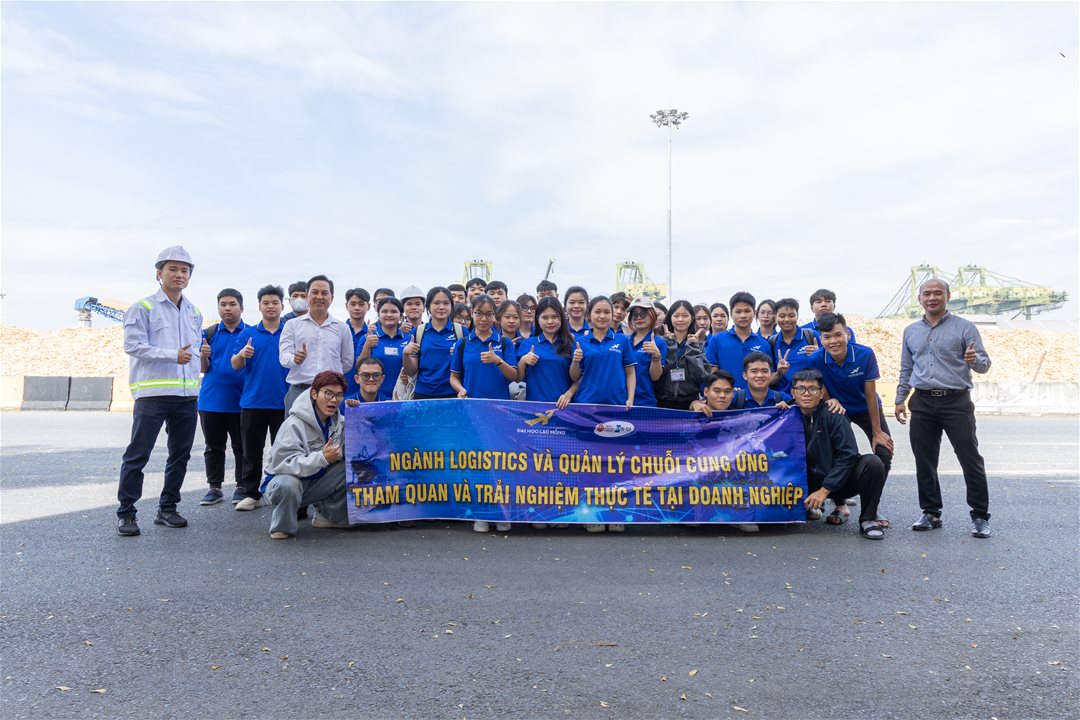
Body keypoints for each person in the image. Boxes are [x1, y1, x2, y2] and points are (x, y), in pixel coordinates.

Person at [115, 246, 203, 536]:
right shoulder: (143, 308)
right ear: (159, 273)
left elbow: (192, 352)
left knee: (180, 455)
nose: (179, 274)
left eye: (184, 270)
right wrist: (172, 355)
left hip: (186, 396)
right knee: (138, 454)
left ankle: (168, 508)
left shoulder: (194, 312)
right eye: (173, 269)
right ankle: (126, 513)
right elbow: (133, 346)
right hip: (152, 396)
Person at [895, 279, 992, 538]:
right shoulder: (911, 331)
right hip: (922, 401)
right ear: (919, 299)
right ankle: (930, 512)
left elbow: (984, 364)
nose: (932, 298)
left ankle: (980, 516)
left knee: (970, 459)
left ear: (948, 296)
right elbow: (906, 368)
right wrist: (900, 398)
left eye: (938, 293)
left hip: (956, 401)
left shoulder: (965, 327)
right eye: (926, 293)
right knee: (924, 460)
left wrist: (974, 359)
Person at [449, 295, 519, 533]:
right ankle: (480, 513)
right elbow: (454, 377)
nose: (483, 318)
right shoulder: (463, 343)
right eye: (479, 313)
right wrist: (460, 389)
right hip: (472, 411)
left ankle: (502, 512)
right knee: (477, 463)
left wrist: (497, 360)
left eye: (489, 314)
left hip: (500, 412)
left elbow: (515, 376)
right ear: (472, 314)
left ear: (495, 317)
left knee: (501, 463)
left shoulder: (504, 343)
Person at [810, 312, 894, 503]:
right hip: (839, 410)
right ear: (821, 339)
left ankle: (871, 506)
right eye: (827, 337)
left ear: (848, 334)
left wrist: (877, 432)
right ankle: (839, 503)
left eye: (838, 335)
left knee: (884, 452)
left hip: (865, 407)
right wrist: (831, 400)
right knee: (837, 454)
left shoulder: (865, 354)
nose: (833, 341)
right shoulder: (815, 359)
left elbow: (870, 395)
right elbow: (821, 386)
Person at [569, 296, 635, 534]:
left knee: (615, 465)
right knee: (589, 465)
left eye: (607, 311)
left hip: (616, 409)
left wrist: (630, 398)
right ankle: (591, 513)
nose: (603, 316)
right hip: (587, 410)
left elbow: (630, 372)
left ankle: (615, 513)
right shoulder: (579, 341)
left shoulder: (622, 340)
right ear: (589, 315)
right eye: (597, 312)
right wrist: (575, 362)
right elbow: (574, 376)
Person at [796, 369, 887, 540]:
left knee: (873, 463)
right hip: (805, 483)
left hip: (838, 483)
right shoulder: (786, 414)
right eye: (801, 389)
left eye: (813, 389)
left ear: (821, 393)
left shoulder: (834, 414)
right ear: (793, 392)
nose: (806, 394)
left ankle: (868, 520)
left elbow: (848, 455)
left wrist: (825, 490)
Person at [264, 370, 352, 539]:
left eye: (339, 395)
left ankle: (327, 516)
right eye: (328, 393)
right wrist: (322, 458)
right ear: (314, 394)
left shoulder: (339, 422)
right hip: (282, 485)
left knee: (348, 468)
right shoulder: (293, 424)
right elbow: (283, 465)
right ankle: (282, 526)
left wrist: (357, 412)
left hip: (316, 482)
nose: (334, 400)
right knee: (289, 484)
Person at [230, 284, 290, 511]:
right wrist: (242, 354)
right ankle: (252, 494)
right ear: (259, 307)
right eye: (266, 303)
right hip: (253, 402)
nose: (270, 306)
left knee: (283, 451)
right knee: (251, 451)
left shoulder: (289, 332)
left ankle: (280, 492)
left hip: (284, 402)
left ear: (282, 306)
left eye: (275, 302)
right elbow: (235, 365)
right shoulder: (248, 334)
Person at [689, 369, 760, 533]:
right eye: (717, 391)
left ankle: (739, 514)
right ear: (706, 392)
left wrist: (782, 408)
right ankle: (695, 511)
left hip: (731, 473)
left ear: (733, 393)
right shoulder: (692, 415)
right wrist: (695, 403)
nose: (722, 396)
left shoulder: (739, 415)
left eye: (727, 392)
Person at [197, 288, 247, 506]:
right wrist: (203, 356)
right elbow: (203, 368)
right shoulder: (208, 334)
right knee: (213, 447)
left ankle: (241, 486)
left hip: (242, 401)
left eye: (232, 304)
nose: (227, 308)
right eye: (223, 304)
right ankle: (214, 487)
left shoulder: (250, 334)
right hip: (211, 402)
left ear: (241, 308)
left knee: (242, 447)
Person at [278, 275, 354, 409]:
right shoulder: (292, 325)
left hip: (331, 393)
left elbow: (347, 362)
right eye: (315, 292)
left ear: (332, 298)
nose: (319, 297)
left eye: (324, 293)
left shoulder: (342, 328)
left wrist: (330, 377)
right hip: (299, 392)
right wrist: (295, 359)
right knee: (295, 423)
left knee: (331, 424)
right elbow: (284, 357)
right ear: (307, 296)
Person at [402, 286, 464, 399]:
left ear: (451, 306)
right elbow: (411, 371)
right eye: (436, 303)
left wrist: (460, 354)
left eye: (446, 303)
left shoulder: (460, 331)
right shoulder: (419, 331)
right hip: (423, 393)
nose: (441, 307)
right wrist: (406, 354)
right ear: (428, 307)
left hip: (454, 393)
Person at [516, 296, 578, 408]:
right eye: (545, 317)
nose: (550, 321)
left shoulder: (571, 343)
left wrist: (569, 394)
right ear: (537, 319)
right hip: (535, 408)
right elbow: (518, 378)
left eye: (554, 317)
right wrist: (522, 361)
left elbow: (580, 377)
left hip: (564, 408)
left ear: (562, 318)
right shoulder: (528, 343)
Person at [705, 292, 772, 389]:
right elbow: (712, 371)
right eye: (738, 311)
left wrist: (779, 372)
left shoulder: (763, 344)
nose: (743, 315)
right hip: (726, 396)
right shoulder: (717, 340)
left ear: (754, 313)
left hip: (755, 397)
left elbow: (768, 375)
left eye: (747, 311)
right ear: (731, 313)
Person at [656, 300, 710, 410]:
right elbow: (658, 373)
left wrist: (693, 347)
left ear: (692, 318)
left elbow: (701, 376)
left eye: (685, 316)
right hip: (662, 402)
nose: (680, 319)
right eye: (676, 316)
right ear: (670, 318)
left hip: (690, 403)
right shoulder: (661, 342)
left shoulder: (697, 345)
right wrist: (669, 345)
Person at [358, 296, 412, 401]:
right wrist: (367, 345)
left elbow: (415, 370)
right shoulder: (367, 337)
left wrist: (409, 376)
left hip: (402, 397)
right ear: (378, 315)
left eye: (394, 311)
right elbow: (359, 366)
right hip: (373, 397)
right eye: (384, 311)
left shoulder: (409, 339)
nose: (389, 315)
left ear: (401, 316)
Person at [769, 298, 818, 393]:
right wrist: (779, 373)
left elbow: (828, 366)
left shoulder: (811, 336)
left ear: (797, 316)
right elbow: (768, 380)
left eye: (791, 316)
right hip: (782, 398)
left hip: (808, 395)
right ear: (775, 317)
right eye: (782, 316)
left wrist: (818, 354)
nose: (787, 319)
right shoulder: (772, 342)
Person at [626, 297, 667, 407]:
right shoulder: (624, 341)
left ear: (652, 315)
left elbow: (655, 377)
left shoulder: (659, 343)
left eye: (643, 314)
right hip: (620, 400)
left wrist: (656, 356)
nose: (639, 318)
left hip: (644, 402)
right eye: (634, 315)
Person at [343, 288, 371, 399]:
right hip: (341, 388)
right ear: (346, 306)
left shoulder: (372, 334)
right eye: (353, 304)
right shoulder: (339, 331)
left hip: (367, 390)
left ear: (368, 306)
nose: (357, 308)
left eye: (361, 304)